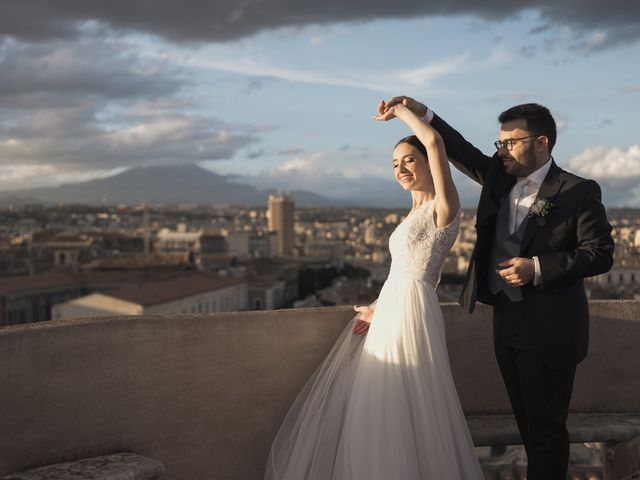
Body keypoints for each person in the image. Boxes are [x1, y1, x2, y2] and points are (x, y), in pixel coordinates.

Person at [380, 96, 615, 480]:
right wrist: (423, 114)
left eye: (512, 142)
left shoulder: (578, 190)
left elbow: (600, 253)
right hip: (505, 321)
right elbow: (456, 149)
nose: (502, 149)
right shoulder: (499, 176)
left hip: (551, 327)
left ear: (542, 142)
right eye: (500, 142)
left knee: (546, 431)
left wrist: (537, 267)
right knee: (526, 425)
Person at [264, 100, 484, 479]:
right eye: (394, 164)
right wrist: (376, 307)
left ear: (429, 162)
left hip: (414, 311)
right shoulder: (412, 213)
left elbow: (434, 141)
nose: (400, 169)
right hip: (393, 310)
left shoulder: (443, 206)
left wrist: (400, 112)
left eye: (408, 160)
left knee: (406, 401)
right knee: (381, 404)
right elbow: (401, 272)